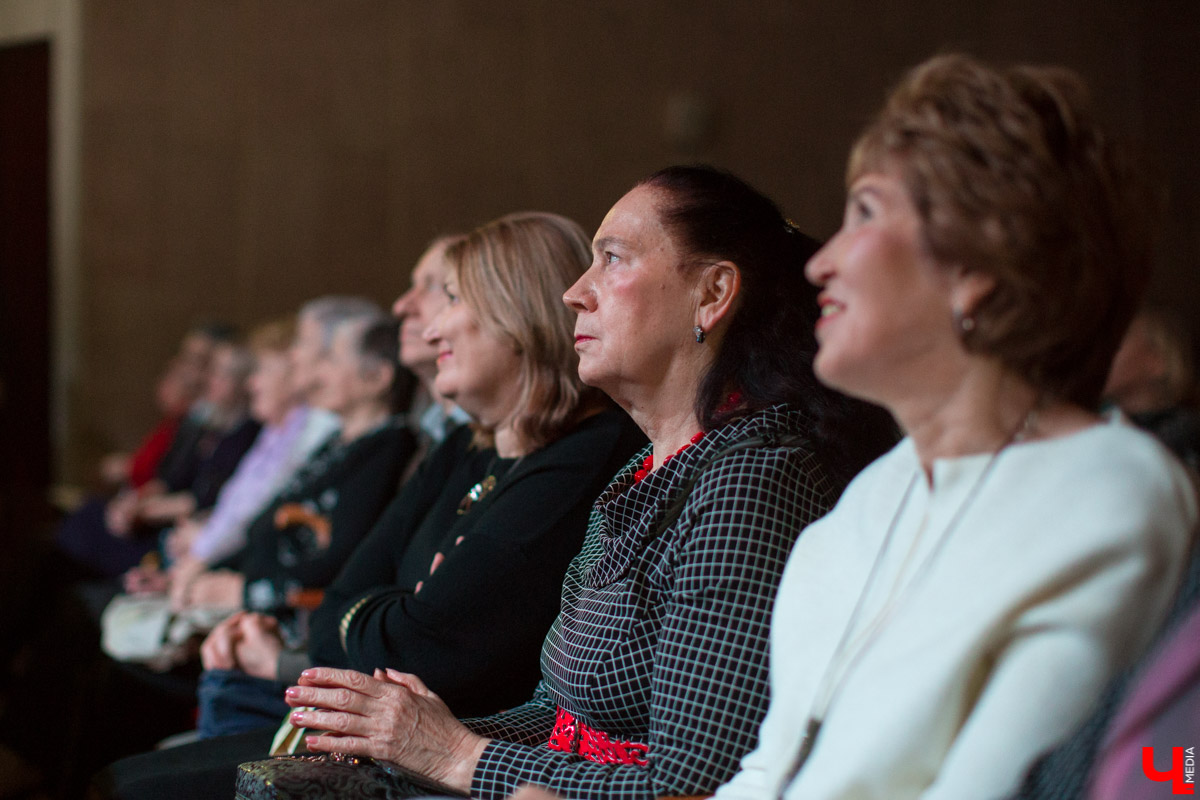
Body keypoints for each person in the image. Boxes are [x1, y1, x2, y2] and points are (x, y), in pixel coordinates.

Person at [267, 168, 894, 800]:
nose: (575, 293)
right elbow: (561, 717)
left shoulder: (752, 479)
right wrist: (400, 735)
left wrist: (456, 752)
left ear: (713, 294)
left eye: (612, 259)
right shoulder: (640, 472)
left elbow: (695, 785)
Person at [703, 54, 1197, 800]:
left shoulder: (1104, 490)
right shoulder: (864, 506)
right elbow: (768, 775)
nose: (820, 264)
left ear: (979, 259)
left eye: (865, 212)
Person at [94, 212, 647, 798]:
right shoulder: (466, 443)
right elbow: (345, 600)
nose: (432, 329)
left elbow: (422, 651)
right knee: (119, 776)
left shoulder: (586, 452)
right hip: (370, 733)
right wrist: (399, 605)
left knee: (126, 786)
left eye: (451, 298)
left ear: (516, 316)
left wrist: (387, 606)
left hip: (431, 760)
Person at [1103, 307, 1200, 470]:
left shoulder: (1186, 433)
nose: (1099, 354)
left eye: (1116, 344)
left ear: (1158, 361)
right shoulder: (1100, 422)